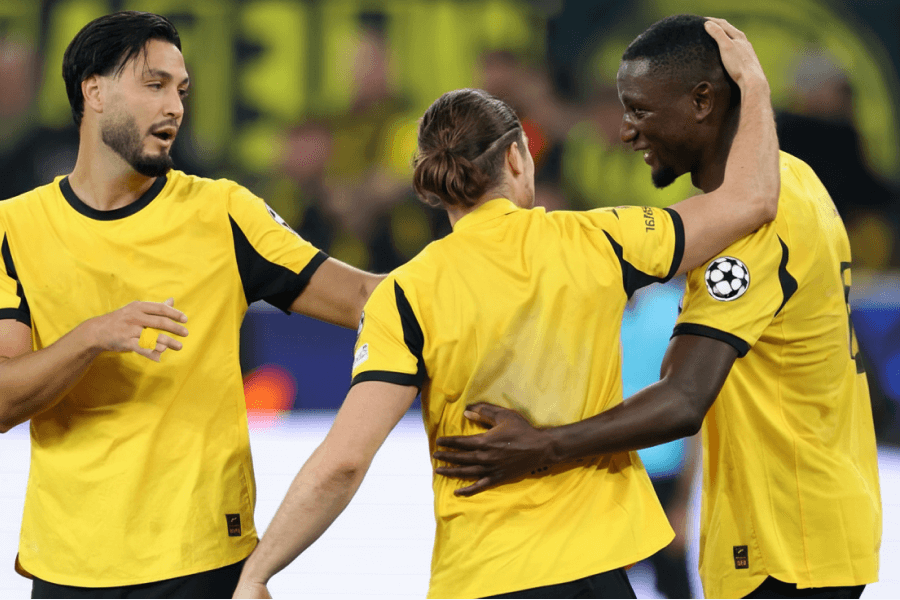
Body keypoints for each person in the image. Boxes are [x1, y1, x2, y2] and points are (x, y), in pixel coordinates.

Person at [232, 17, 779, 599]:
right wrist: (753, 85)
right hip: (595, 571)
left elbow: (343, 462)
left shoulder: (407, 294)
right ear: (518, 160)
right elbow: (754, 198)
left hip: (484, 576)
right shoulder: (602, 242)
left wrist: (259, 571)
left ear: (433, 185)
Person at [432, 14, 881, 600]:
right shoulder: (793, 182)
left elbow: (683, 398)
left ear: (701, 102)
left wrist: (544, 446)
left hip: (786, 545)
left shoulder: (760, 222)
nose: (627, 132)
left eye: (640, 109)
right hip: (806, 527)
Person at [0, 11, 382, 599]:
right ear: (93, 91)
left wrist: (475, 273)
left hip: (201, 562)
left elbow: (362, 297)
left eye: (181, 90)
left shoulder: (221, 211)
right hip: (66, 568)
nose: (174, 106)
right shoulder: (13, 228)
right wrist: (92, 337)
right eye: (153, 85)